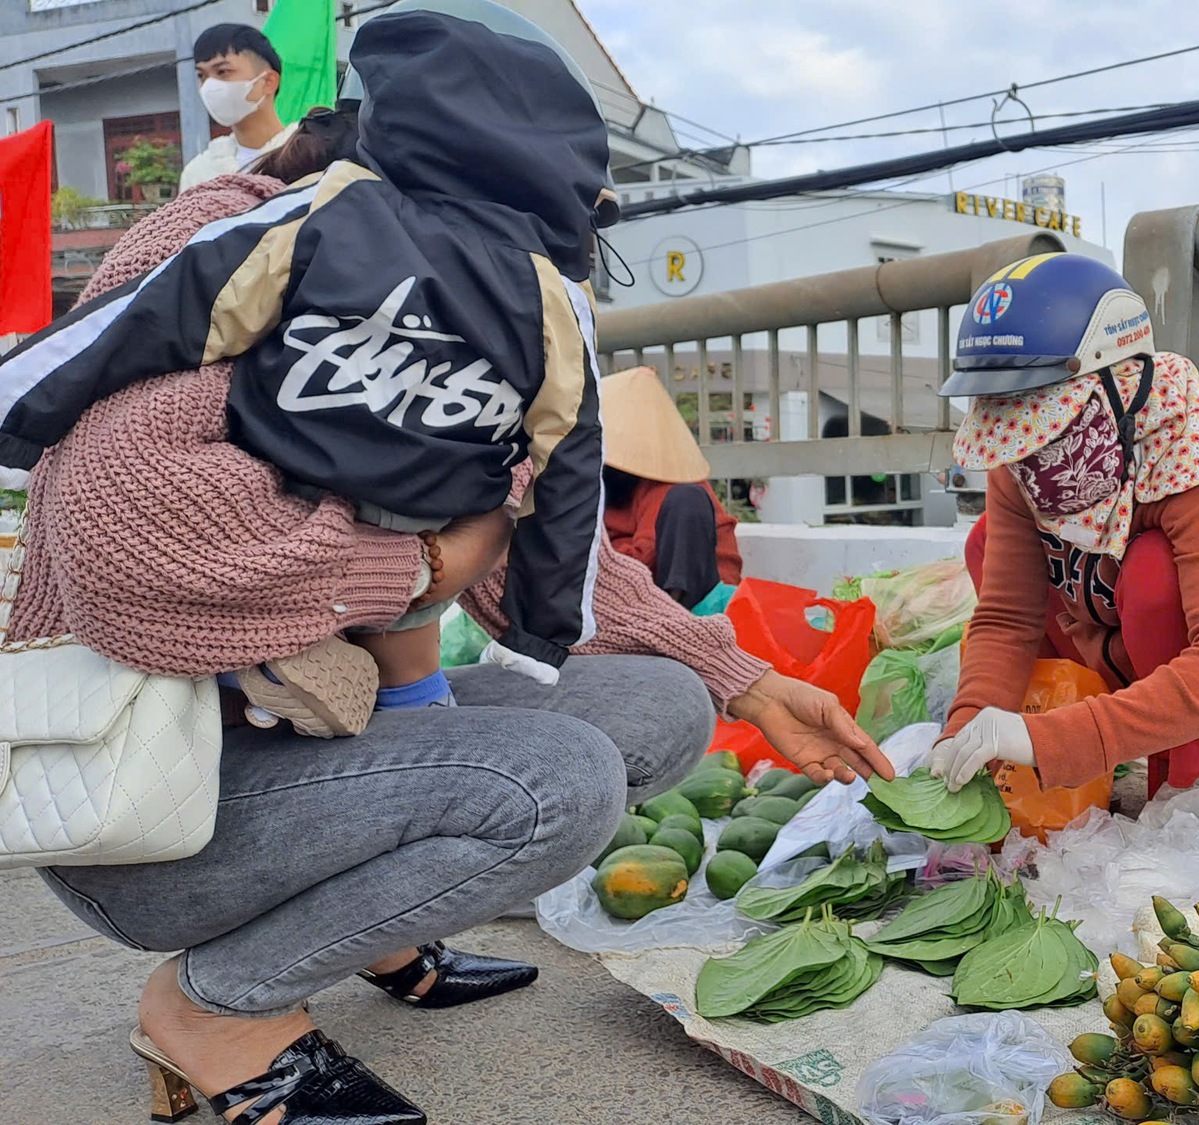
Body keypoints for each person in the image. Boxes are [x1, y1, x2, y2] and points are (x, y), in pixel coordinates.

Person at [7, 5, 894, 1123]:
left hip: (308, 747)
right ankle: (214, 1009)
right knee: (555, 785)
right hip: (149, 799)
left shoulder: (476, 298)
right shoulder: (249, 244)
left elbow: (523, 538)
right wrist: (422, 565)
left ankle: (363, 937)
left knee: (661, 708)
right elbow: (130, 534)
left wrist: (752, 686)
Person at [2, 6, 621, 735]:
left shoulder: (326, 208)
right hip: (430, 518)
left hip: (291, 478)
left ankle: (269, 662)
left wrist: (18, 409)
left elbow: (158, 309)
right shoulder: (556, 293)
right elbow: (573, 465)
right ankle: (409, 704)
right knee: (423, 665)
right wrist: (541, 633)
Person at [926, 252, 1199, 798]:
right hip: (1136, 680)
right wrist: (963, 734)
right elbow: (1007, 620)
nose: (1027, 458)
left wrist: (1055, 740)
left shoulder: (1198, 454)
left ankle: (1193, 793)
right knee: (986, 540)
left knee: (1155, 572)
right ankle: (1045, 768)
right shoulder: (1023, 467)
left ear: (1120, 388)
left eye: (1044, 428)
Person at [600, 365, 743, 609]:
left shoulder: (671, 487)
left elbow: (644, 558)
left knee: (687, 499)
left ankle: (678, 623)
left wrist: (604, 557)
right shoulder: (598, 485)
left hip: (691, 599)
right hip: (621, 596)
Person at [178, 25, 297, 191]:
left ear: (268, 81)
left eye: (223, 71)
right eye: (202, 76)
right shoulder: (199, 173)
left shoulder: (308, 155)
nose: (209, 86)